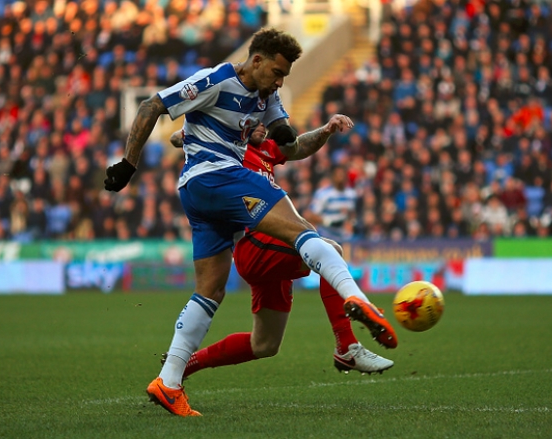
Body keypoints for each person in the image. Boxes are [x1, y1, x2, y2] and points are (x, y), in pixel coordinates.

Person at [104, 28, 397, 417]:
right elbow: (150, 106)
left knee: (209, 291)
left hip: (200, 194)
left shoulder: (266, 94)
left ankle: (169, 381)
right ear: (256, 60)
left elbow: (287, 141)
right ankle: (354, 299)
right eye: (276, 71)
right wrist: (129, 164)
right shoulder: (215, 80)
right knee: (304, 233)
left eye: (284, 76)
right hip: (217, 176)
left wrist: (296, 130)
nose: (279, 81)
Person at [166, 121, 393, 383]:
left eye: (265, 121)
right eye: (257, 121)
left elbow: (300, 148)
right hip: (252, 242)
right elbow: (176, 138)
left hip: (270, 245)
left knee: (265, 344)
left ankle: (183, 364)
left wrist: (327, 130)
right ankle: (347, 345)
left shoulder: (267, 150)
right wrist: (198, 133)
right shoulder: (228, 146)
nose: (263, 126)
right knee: (331, 250)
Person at [304, 165, 358, 241]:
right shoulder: (323, 194)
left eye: (343, 175)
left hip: (343, 238)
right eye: (338, 175)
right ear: (333, 177)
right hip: (326, 236)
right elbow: (310, 215)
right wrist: (328, 222)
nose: (341, 178)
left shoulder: (351, 194)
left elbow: (352, 214)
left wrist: (352, 222)